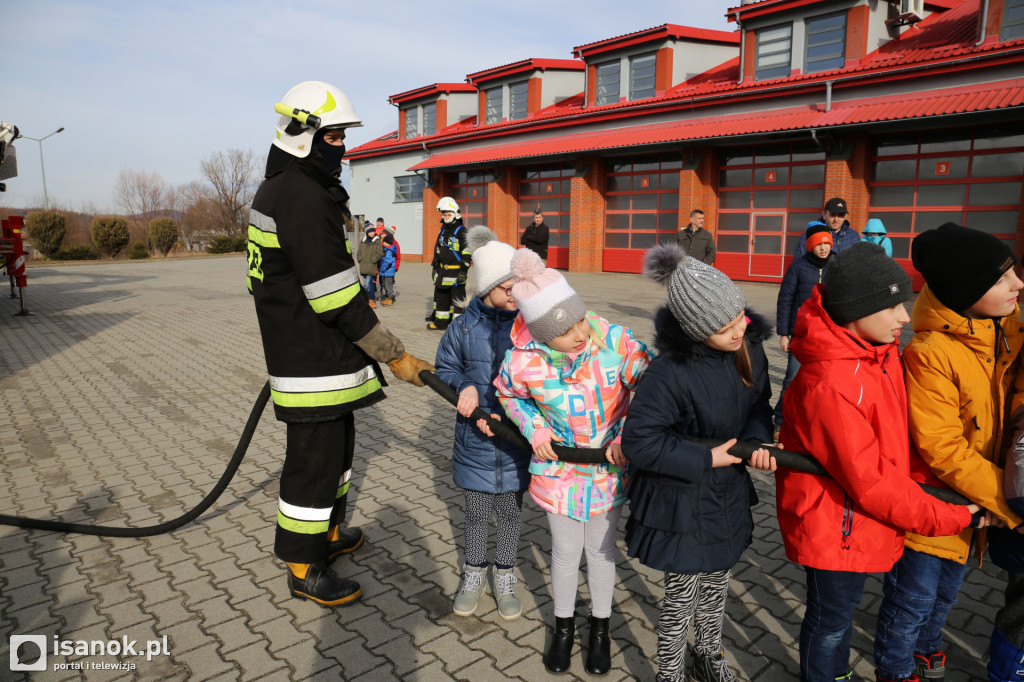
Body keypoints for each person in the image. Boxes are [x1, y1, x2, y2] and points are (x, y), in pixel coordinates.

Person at [246, 80, 433, 607]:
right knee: (313, 461)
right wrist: (394, 353)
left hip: (321, 355)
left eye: (342, 135)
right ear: (303, 136)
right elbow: (333, 297)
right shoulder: (300, 196)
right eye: (333, 136)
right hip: (310, 357)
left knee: (339, 453)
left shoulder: (289, 188)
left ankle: (327, 535)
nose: (342, 147)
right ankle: (303, 563)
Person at [775, 242, 978, 682]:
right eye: (893, 307)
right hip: (836, 525)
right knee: (832, 619)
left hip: (865, 519)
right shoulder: (829, 383)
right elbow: (870, 479)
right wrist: (950, 516)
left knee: (841, 613)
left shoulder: (879, 354)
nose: (905, 318)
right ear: (856, 310)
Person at [873, 224, 1023, 682]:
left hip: (975, 504)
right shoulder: (931, 351)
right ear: (967, 291)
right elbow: (942, 447)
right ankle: (895, 668)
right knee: (913, 595)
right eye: (1002, 278)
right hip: (936, 499)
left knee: (946, 593)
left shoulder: (1006, 334)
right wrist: (1009, 501)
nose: (1019, 283)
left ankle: (927, 645)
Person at [622, 244, 777, 682]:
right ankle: (669, 672)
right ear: (693, 330)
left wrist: (758, 441)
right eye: (725, 327)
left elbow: (758, 407)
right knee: (681, 596)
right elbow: (640, 440)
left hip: (725, 493)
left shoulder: (749, 347)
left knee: (717, 582)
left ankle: (709, 655)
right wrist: (705, 457)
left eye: (739, 318)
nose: (738, 331)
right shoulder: (670, 371)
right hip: (681, 500)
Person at [494, 248, 652, 676]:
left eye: (580, 320)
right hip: (557, 471)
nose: (580, 334)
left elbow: (653, 387)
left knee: (601, 552)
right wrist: (534, 428)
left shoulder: (613, 341)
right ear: (543, 334)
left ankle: (600, 627)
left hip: (608, 468)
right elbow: (507, 396)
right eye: (565, 331)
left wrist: (627, 433)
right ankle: (564, 627)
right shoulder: (523, 361)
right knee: (564, 554)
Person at [434, 227, 531, 621]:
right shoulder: (463, 327)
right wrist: (464, 386)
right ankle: (473, 572)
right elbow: (445, 367)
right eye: (506, 287)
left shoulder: (529, 325)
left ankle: (504, 575)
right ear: (487, 286)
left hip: (514, 442)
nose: (514, 294)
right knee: (476, 513)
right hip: (474, 441)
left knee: (509, 512)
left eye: (517, 286)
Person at [773, 223, 834, 435]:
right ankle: (779, 419)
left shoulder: (836, 265)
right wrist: (784, 333)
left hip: (828, 334)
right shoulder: (798, 267)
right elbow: (785, 299)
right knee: (792, 377)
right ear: (810, 246)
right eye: (819, 244)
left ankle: (814, 421)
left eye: (827, 243)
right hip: (800, 333)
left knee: (824, 381)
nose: (824, 248)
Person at [428, 197, 471, 330]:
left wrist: (464, 271)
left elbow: (467, 251)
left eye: (448, 214)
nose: (446, 216)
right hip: (442, 271)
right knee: (441, 298)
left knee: (457, 301)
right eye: (444, 214)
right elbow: (438, 248)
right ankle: (440, 323)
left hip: (456, 272)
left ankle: (457, 326)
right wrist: (435, 265)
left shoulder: (462, 231)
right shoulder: (444, 229)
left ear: (455, 214)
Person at [793, 197, 861, 256]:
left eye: (841, 215)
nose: (836, 220)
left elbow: (860, 260)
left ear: (845, 216)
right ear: (824, 215)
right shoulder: (810, 235)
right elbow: (799, 263)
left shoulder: (854, 236)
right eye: (832, 215)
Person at [356, 222, 383, 308]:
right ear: (367, 232)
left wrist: (373, 260)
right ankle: (367, 299)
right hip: (363, 265)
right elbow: (359, 252)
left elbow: (379, 252)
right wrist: (360, 259)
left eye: (373, 231)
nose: (372, 233)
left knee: (369, 284)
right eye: (370, 231)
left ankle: (372, 300)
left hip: (371, 265)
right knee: (365, 285)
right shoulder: (363, 241)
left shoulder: (377, 240)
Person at [378, 226, 399, 306]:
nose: (383, 243)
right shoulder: (387, 250)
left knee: (388, 286)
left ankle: (390, 299)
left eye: (384, 242)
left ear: (388, 243)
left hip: (387, 271)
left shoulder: (389, 251)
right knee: (386, 286)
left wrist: (382, 269)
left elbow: (388, 262)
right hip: (386, 272)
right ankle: (387, 298)